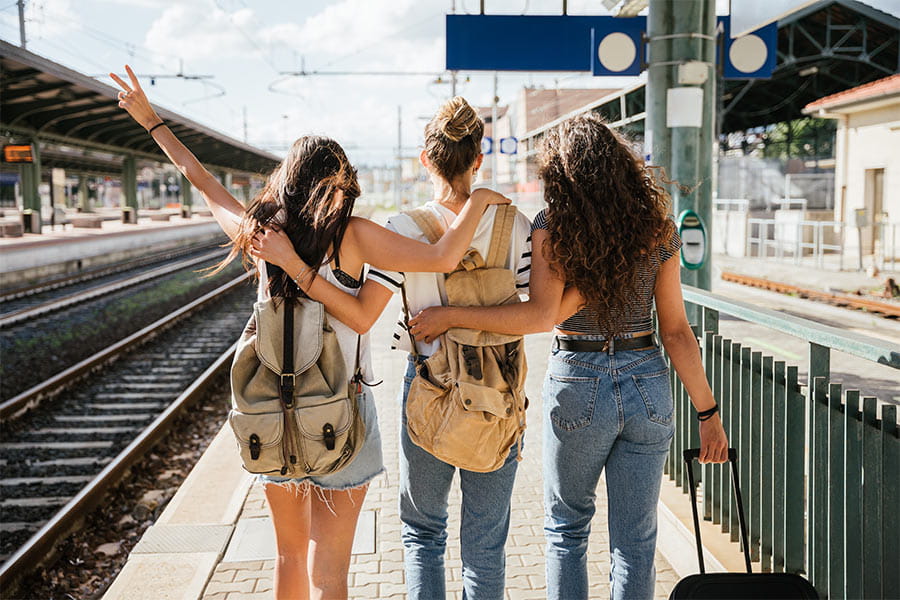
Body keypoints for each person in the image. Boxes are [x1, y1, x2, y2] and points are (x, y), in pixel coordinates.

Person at [110, 67, 509, 600]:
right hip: (345, 413)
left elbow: (202, 182)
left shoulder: (260, 234)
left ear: (287, 178)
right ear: (338, 182)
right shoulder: (357, 237)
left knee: (288, 557)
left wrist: (152, 122)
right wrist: (479, 200)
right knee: (331, 573)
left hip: (272, 412)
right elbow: (442, 255)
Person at [408, 112, 730, 600]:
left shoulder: (554, 227)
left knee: (566, 529)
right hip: (648, 382)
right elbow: (679, 333)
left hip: (579, 382)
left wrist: (451, 315)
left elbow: (541, 317)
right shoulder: (655, 229)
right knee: (637, 542)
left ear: (561, 172)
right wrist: (708, 412)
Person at [252, 96, 534, 599]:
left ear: (425, 160)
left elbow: (378, 301)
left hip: (429, 386)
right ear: (478, 157)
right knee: (486, 545)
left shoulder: (402, 226)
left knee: (423, 534)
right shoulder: (517, 225)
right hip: (499, 392)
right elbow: (535, 312)